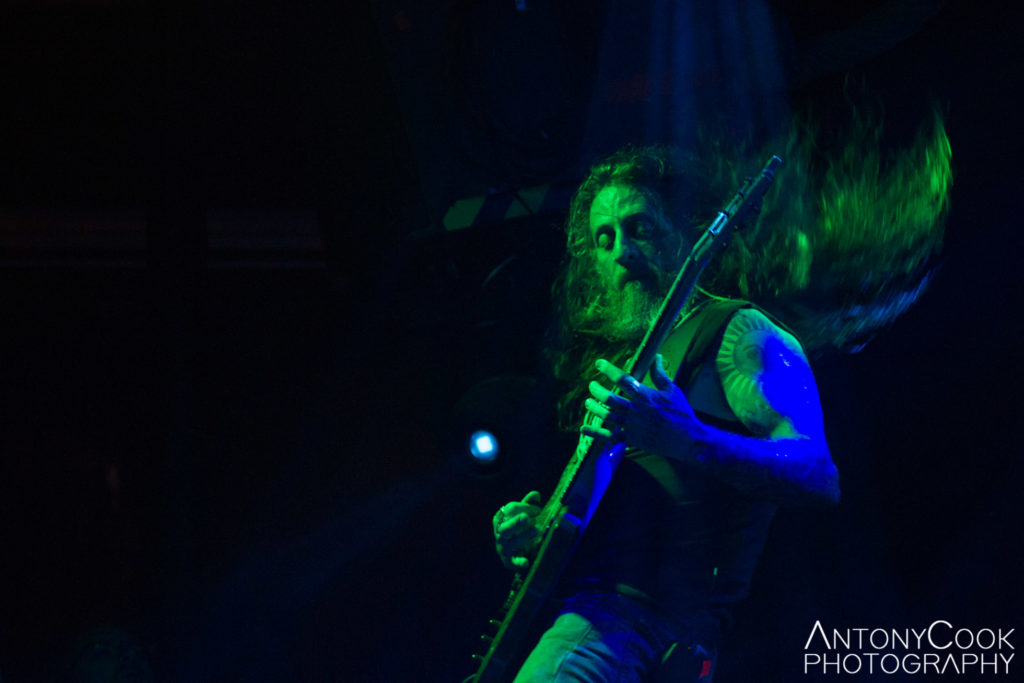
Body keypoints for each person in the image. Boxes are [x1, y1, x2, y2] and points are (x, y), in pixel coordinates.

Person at [490, 146, 841, 682]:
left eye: (639, 228)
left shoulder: (737, 332)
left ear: (680, 230)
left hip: (621, 625)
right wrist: (536, 537)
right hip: (609, 624)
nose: (621, 251)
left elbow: (818, 474)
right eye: (604, 239)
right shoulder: (629, 372)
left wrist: (687, 437)